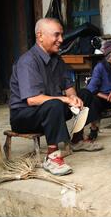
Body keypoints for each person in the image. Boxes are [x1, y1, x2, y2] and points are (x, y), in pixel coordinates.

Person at [9, 18, 103, 176]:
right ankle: (52, 157)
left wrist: (73, 97)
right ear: (40, 36)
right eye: (56, 35)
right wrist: (64, 100)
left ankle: (77, 140)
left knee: (85, 94)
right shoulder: (28, 61)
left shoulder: (57, 60)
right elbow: (32, 100)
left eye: (61, 35)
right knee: (54, 104)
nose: (61, 40)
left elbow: (68, 87)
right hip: (24, 116)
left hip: (51, 110)